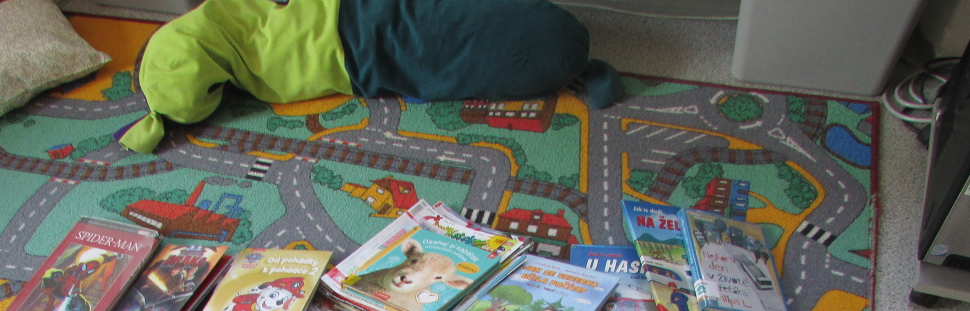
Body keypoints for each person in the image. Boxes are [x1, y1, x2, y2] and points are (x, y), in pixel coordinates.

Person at [119, 0, 625, 153]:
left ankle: (559, 50)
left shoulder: (198, 49)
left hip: (360, 44)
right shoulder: (217, 17)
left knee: (490, 43)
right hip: (362, 33)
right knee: (505, 36)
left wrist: (166, 114)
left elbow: (188, 98)